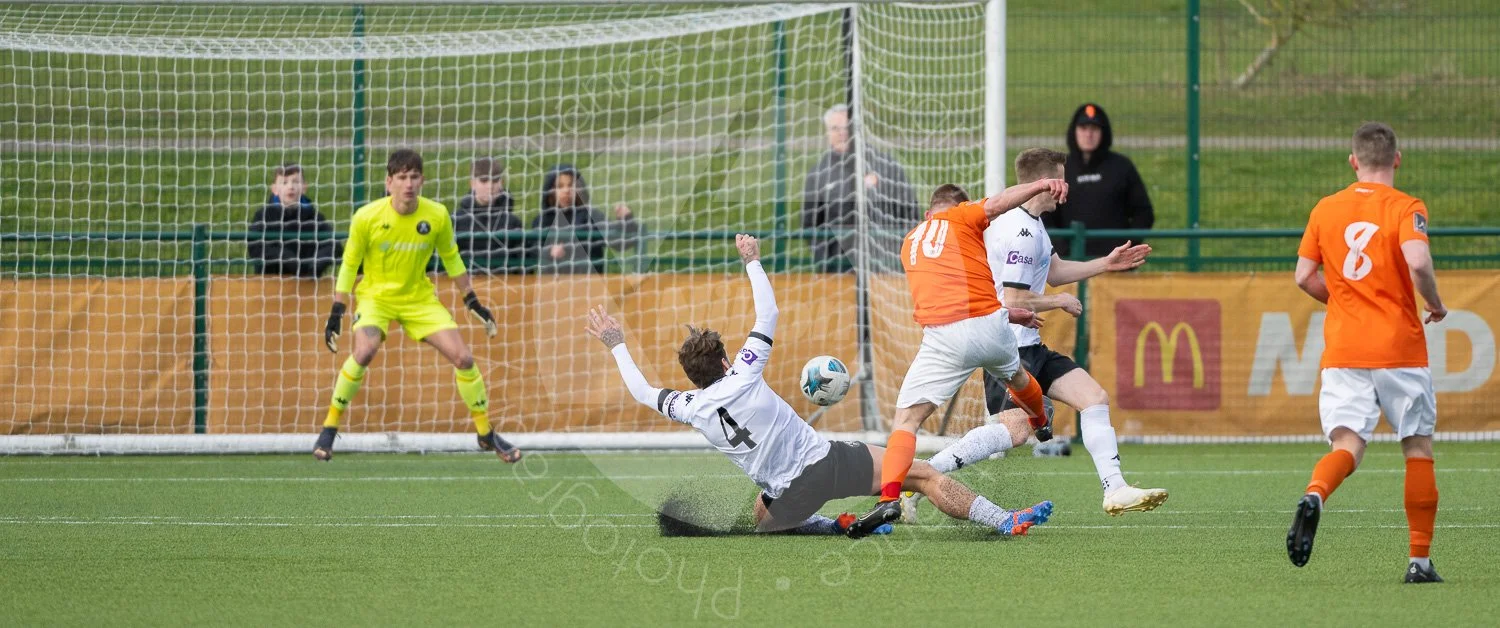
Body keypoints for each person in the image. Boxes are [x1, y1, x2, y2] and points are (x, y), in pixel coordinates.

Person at [586, 233, 1054, 537]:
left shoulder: (689, 406)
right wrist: (751, 260)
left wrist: (616, 344)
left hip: (788, 497)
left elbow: (644, 393)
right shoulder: (745, 372)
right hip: (827, 465)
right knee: (924, 475)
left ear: (692, 377)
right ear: (726, 359)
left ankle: (835, 526)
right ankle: (1004, 520)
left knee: (760, 517)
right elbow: (767, 315)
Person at [845, 177, 1068, 538]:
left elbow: (947, 289)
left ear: (926, 212)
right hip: (988, 324)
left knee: (906, 422)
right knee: (1019, 381)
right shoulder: (963, 218)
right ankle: (1041, 421)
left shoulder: (910, 243)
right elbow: (998, 203)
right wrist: (1039, 183)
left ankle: (889, 498)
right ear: (961, 207)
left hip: (942, 336)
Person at [1286, 122, 1446, 583]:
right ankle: (1418, 561)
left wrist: (1342, 300)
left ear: (1353, 162)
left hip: (1344, 348)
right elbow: (1417, 261)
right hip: (1399, 346)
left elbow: (1302, 276)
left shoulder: (1327, 208)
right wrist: (1433, 303)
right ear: (1397, 159)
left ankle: (1316, 494)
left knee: (1348, 444)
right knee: (1416, 446)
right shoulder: (1406, 206)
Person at [982, 147, 1167, 515]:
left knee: (1094, 397)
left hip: (1030, 347)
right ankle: (919, 482)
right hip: (1008, 353)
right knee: (1009, 436)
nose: (1067, 188)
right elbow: (1015, 299)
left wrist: (1106, 263)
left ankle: (1115, 489)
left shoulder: (1031, 225)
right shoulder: (1018, 230)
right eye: (1062, 180)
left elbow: (1055, 271)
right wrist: (1060, 302)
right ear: (1045, 184)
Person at [314, 149, 518, 463]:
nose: (408, 184)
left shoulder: (436, 215)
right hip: (376, 299)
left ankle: (485, 433)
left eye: (413, 177)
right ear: (388, 182)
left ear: (422, 180)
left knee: (464, 358)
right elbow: (349, 264)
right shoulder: (366, 217)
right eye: (401, 177)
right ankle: (330, 427)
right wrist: (337, 310)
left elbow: (452, 258)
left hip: (420, 299)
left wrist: (472, 300)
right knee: (364, 351)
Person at [801, 104, 920, 271]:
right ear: (827, 132)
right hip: (840, 270)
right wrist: (828, 260)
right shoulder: (819, 174)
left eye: (847, 127)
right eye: (836, 128)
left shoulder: (886, 165)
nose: (842, 132)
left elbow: (910, 212)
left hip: (886, 266)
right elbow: (811, 223)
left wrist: (899, 252)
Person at [1043, 103, 1153, 260]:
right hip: (1071, 266)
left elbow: (1143, 213)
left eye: (1094, 129)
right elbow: (1045, 215)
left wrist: (1127, 248)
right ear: (1074, 131)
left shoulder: (1122, 167)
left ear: (1103, 132)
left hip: (1114, 263)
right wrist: (1063, 251)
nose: (1089, 134)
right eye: (1083, 128)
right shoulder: (1061, 169)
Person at [532, 164, 642, 274]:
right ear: (551, 191)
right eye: (560, 186)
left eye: (571, 185)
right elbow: (532, 250)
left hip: (589, 284)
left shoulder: (592, 216)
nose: (566, 190)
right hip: (554, 285)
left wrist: (626, 220)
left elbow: (620, 243)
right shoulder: (542, 220)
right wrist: (549, 252)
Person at [248, 163, 336, 278]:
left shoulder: (315, 217)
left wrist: (317, 263)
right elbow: (254, 247)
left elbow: (333, 246)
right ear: (274, 189)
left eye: (295, 182)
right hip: (270, 282)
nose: (290, 186)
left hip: (307, 283)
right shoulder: (264, 216)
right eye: (284, 182)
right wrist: (285, 256)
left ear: (304, 187)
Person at [452, 157, 526, 274]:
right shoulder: (456, 220)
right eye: (484, 181)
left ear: (502, 183)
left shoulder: (513, 222)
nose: (490, 186)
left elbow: (523, 265)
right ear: (472, 183)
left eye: (495, 181)